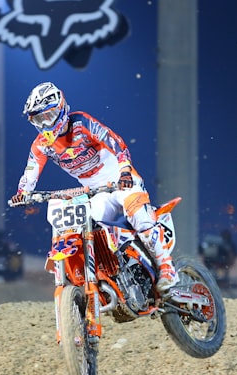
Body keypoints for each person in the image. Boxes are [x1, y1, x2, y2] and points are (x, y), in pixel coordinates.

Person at [10, 81, 178, 293]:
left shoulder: (81, 123)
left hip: (121, 180)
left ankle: (166, 267)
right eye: (38, 120)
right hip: (96, 192)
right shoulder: (41, 144)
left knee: (139, 216)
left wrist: (125, 170)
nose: (44, 125)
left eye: (47, 117)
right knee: (90, 224)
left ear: (60, 109)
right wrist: (22, 193)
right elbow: (31, 170)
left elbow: (115, 142)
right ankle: (113, 272)